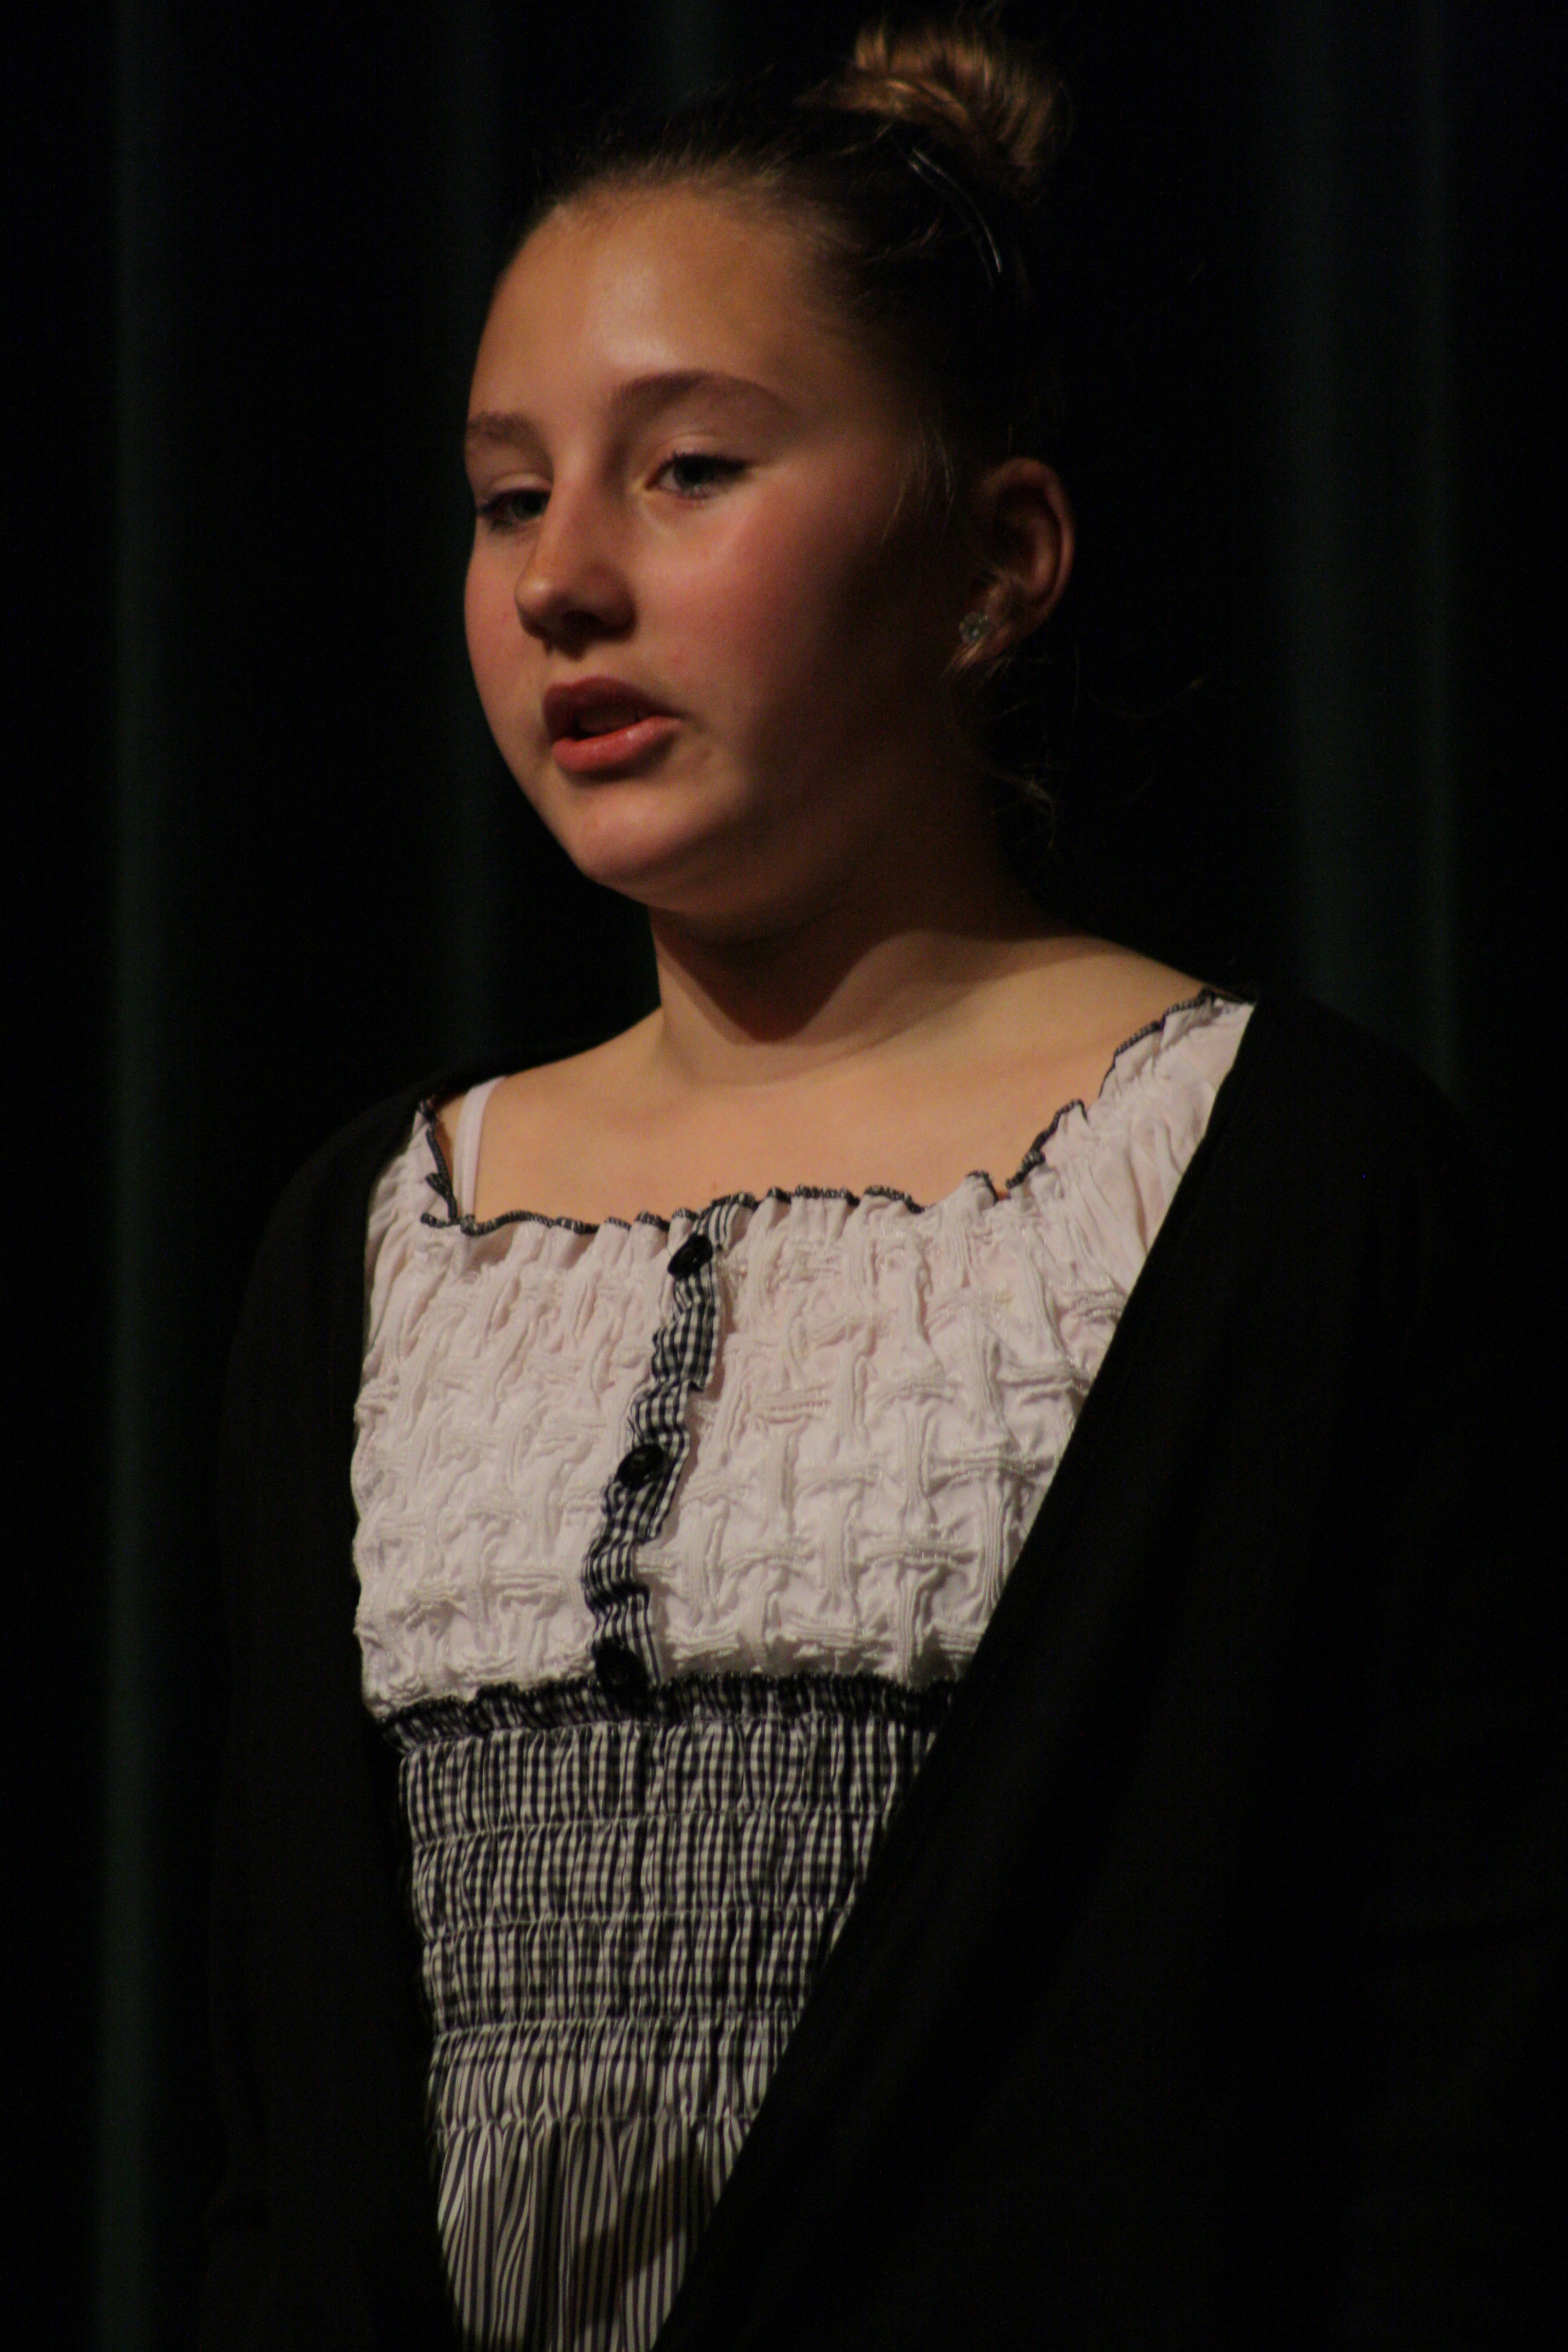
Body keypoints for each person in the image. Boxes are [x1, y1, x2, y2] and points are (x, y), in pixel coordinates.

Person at [201, 15, 1561, 2350]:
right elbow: (280, 2139)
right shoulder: (382, 1235)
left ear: (997, 557)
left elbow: (1461, 2088)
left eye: (689, 469)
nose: (564, 582)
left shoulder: (1274, 1187)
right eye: (508, 498)